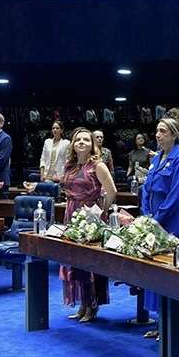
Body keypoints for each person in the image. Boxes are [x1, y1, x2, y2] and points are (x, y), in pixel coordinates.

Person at [139, 118, 179, 339]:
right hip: (153, 220)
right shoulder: (157, 157)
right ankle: (160, 323)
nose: (158, 135)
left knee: (171, 275)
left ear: (174, 134)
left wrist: (156, 220)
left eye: (163, 131)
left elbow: (175, 194)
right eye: (157, 131)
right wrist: (145, 216)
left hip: (172, 222)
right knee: (156, 274)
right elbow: (146, 188)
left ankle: (172, 325)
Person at [59, 127, 117, 323]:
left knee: (90, 263)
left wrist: (101, 212)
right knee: (75, 262)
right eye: (78, 140)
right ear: (73, 145)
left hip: (90, 219)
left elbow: (112, 191)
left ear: (93, 144)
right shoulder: (70, 165)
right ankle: (82, 304)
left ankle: (92, 305)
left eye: (86, 140)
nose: (82, 142)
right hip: (71, 215)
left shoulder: (98, 166)